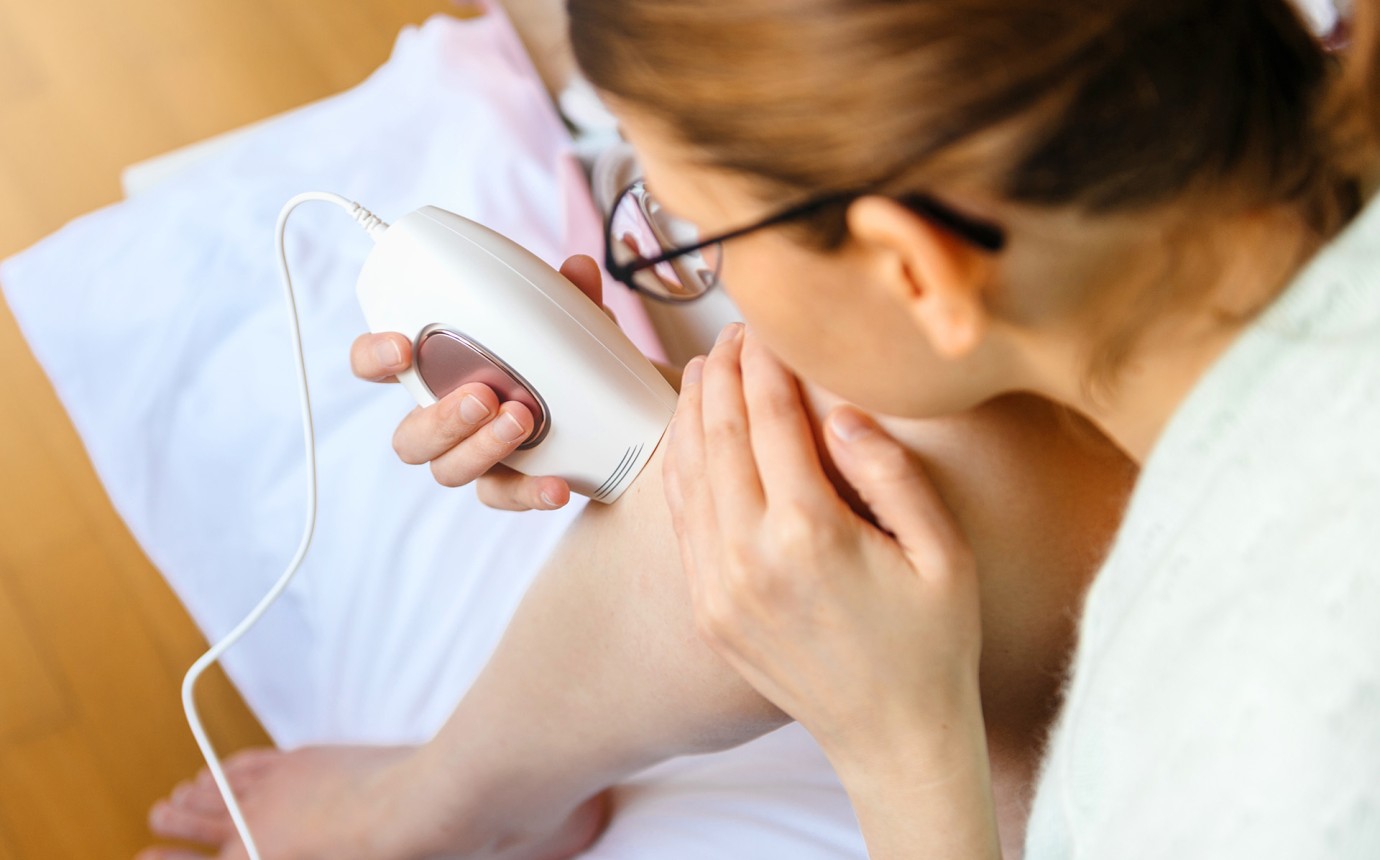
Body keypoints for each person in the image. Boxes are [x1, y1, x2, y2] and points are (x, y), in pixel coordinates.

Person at [142, 0, 1380, 857]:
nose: (660, 272)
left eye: (684, 236)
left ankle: (441, 804)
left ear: (915, 268)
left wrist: (905, 736)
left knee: (824, 468)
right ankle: (459, 799)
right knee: (810, 466)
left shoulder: (1258, 745)